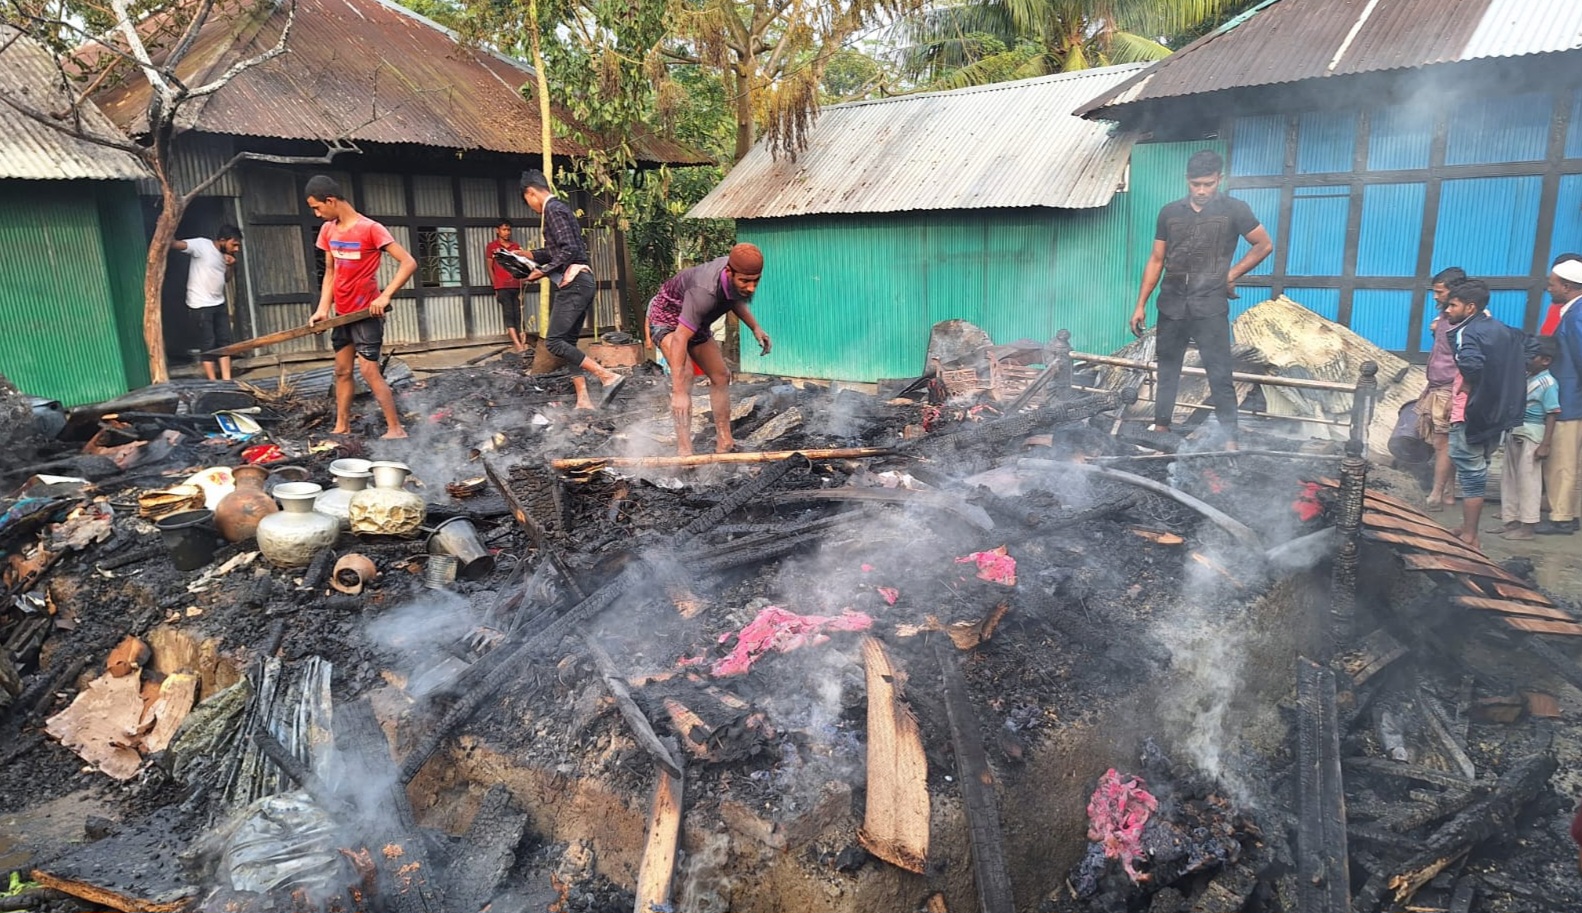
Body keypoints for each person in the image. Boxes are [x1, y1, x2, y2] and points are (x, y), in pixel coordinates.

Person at [1130, 149, 1273, 448]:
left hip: (1209, 304)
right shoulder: (1170, 212)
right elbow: (1157, 259)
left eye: (1208, 183)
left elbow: (1263, 245)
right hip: (1171, 303)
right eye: (1196, 184)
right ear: (1187, 181)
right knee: (1167, 368)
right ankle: (1161, 428)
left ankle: (1229, 438)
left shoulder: (1236, 209)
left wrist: (1231, 275)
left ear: (1219, 179)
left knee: (1219, 371)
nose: (1202, 190)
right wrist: (1140, 304)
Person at [304, 174, 416, 440]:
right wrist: (323, 309)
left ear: (330, 200)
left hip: (367, 313)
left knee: (368, 370)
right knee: (342, 370)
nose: (317, 214)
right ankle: (342, 426)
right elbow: (330, 272)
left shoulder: (370, 229)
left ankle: (395, 429)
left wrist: (385, 296)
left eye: (317, 207)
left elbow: (408, 262)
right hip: (342, 315)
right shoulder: (328, 230)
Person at [647, 243, 772, 455]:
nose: (751, 288)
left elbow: (734, 299)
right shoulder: (704, 291)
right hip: (668, 319)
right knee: (685, 375)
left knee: (721, 375)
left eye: (756, 281)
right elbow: (679, 339)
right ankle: (684, 450)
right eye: (745, 281)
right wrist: (678, 393)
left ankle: (725, 441)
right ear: (729, 272)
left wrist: (755, 327)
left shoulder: (735, 273)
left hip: (698, 321)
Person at [518, 170, 625, 410]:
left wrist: (542, 271)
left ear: (531, 193)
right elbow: (559, 251)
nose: (531, 206)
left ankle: (608, 376)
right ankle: (583, 400)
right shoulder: (559, 210)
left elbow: (569, 250)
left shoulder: (553, 210)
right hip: (581, 282)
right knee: (568, 342)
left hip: (575, 284)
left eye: (528, 201)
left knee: (555, 342)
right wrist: (530, 255)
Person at [1443, 279, 1528, 548]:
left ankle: (1471, 536)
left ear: (1470, 307)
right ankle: (1468, 527)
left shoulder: (1467, 332)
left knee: (1471, 476)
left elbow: (1471, 364)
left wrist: (1467, 385)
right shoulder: (1501, 329)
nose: (1447, 310)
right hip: (1497, 414)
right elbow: (1529, 347)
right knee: (1480, 466)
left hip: (1472, 414)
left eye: (1452, 305)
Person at [1497, 335, 1558, 540]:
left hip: (1533, 436)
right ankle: (1511, 521)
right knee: (1510, 479)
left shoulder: (1548, 383)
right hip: (1515, 432)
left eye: (1530, 356)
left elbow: (1552, 414)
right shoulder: (1526, 376)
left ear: (1545, 360)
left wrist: (1545, 444)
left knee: (1529, 481)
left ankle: (1528, 527)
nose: (1524, 359)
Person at [1539, 256, 1582, 534]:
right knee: (1573, 463)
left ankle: (1561, 518)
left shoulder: (1576, 315)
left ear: (1566, 286)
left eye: (1552, 284)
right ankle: (1571, 513)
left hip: (1569, 397)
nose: (1549, 289)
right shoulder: (1573, 311)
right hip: (1572, 396)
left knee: (1562, 462)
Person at [1418, 266, 1467, 511]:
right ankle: (1447, 492)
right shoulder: (1445, 320)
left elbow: (1466, 361)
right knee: (1447, 441)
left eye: (1440, 292)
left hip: (1450, 389)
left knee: (1443, 443)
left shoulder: (1466, 324)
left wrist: (1456, 394)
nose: (1436, 297)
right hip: (1438, 386)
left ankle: (1436, 495)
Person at [171, 225, 243, 381]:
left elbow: (227, 279)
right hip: (200, 304)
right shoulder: (202, 245)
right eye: (234, 244)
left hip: (219, 302)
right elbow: (176, 244)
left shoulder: (225, 256)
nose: (236, 249)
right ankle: (212, 381)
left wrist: (231, 266)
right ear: (222, 240)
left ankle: (226, 380)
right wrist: (167, 229)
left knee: (225, 342)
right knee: (208, 343)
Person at [485, 220, 527, 354]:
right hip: (502, 285)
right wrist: (495, 286)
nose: (507, 232)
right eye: (504, 229)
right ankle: (517, 344)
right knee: (509, 314)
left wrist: (523, 283)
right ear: (497, 230)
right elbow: (490, 267)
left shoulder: (515, 246)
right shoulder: (492, 247)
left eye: (508, 230)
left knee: (519, 314)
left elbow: (521, 265)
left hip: (516, 284)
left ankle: (523, 342)